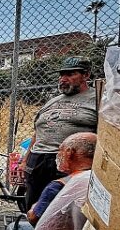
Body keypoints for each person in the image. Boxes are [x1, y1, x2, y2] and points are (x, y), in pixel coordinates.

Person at [7, 132, 96, 230]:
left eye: (60, 150)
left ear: (70, 153)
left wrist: (33, 209)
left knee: (14, 228)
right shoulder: (100, 180)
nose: (58, 155)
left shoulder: (58, 185)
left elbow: (35, 219)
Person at [20, 56, 97, 209]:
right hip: (38, 160)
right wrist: (24, 161)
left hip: (70, 162)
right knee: (35, 208)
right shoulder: (52, 101)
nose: (63, 79)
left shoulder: (97, 98)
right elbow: (37, 133)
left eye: (70, 74)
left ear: (86, 75)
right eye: (61, 75)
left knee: (62, 211)